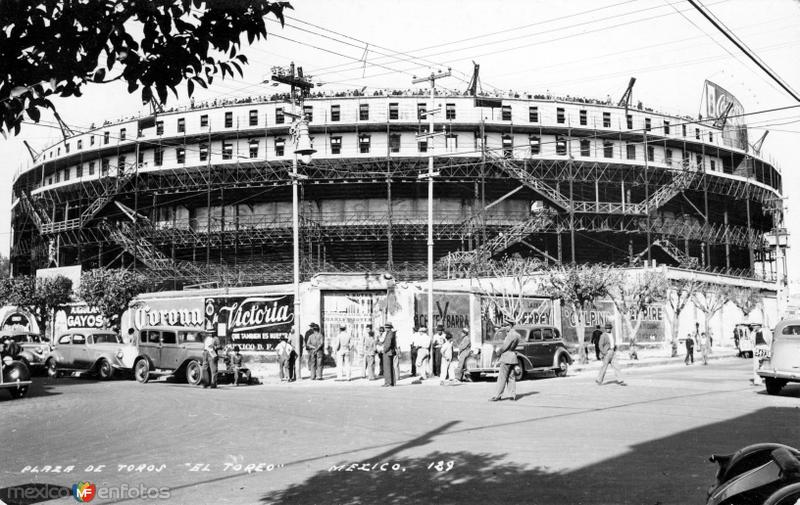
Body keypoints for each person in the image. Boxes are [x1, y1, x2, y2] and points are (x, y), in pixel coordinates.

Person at [490, 322, 520, 401]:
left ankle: (497, 395)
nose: (505, 327)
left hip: (506, 357)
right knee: (511, 377)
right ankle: (512, 395)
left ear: (510, 326)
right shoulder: (517, 335)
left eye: (506, 325)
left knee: (502, 377)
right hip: (513, 357)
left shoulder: (510, 335)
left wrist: (498, 352)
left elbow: (505, 346)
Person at [382, 322, 398, 387]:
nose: (385, 328)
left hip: (387, 352)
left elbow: (388, 344)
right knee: (390, 367)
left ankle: (388, 382)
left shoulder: (389, 334)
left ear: (388, 328)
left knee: (387, 368)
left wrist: (384, 350)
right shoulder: (391, 333)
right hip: (390, 352)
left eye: (386, 327)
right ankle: (392, 382)